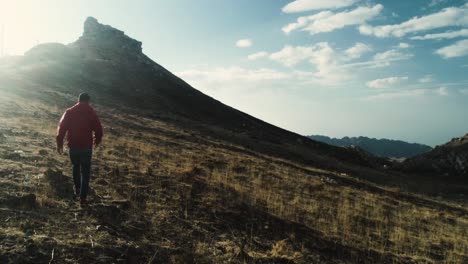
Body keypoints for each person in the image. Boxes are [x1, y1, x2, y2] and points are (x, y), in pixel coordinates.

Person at [56, 93, 103, 206]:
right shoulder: (91, 112)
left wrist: (59, 144)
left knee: (75, 166)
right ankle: (83, 198)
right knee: (85, 172)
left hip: (73, 146)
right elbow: (99, 129)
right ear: (88, 101)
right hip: (86, 147)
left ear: (78, 100)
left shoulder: (70, 112)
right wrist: (96, 141)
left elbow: (61, 128)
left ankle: (77, 189)